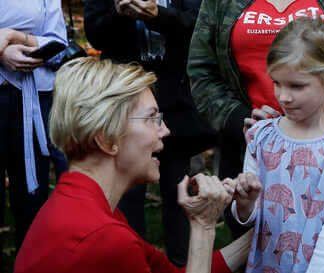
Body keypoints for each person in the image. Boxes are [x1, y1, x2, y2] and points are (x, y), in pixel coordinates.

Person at [14, 57, 255, 273]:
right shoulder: (103, 238)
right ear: (107, 138)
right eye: (152, 118)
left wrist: (265, 232)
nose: (165, 130)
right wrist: (204, 225)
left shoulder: (89, 209)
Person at [187, 0, 324, 238]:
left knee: (322, 237)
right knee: (248, 243)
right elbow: (202, 71)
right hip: (248, 149)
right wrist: (238, 119)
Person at [84, 0, 217, 265]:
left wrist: (159, 15)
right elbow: (95, 34)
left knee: (178, 192)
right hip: (125, 103)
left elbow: (199, 27)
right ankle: (130, 262)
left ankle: (182, 264)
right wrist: (119, 14)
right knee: (126, 194)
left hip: (176, 102)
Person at [230, 19, 324, 273]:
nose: (283, 97)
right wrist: (245, 202)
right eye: (277, 83)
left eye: (297, 86)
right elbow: (250, 216)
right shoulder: (260, 137)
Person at [0, 0, 67, 256]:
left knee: (32, 201)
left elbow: (59, 46)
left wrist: (17, 37)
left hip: (34, 103)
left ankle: (30, 261)